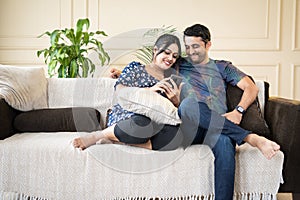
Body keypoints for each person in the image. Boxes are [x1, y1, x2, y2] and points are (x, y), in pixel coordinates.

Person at [107, 24, 280, 200]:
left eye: (195, 46)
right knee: (188, 105)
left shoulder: (222, 67)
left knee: (225, 142)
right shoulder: (179, 64)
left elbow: (251, 88)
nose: (190, 52)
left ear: (208, 45)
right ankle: (249, 137)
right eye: (187, 47)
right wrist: (122, 73)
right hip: (188, 125)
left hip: (217, 126)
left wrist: (239, 111)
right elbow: (154, 68)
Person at [73, 33, 184, 151]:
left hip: (156, 125)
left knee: (178, 133)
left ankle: (116, 141)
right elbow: (120, 91)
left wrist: (176, 101)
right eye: (167, 53)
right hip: (130, 118)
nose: (171, 58)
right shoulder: (136, 68)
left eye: (174, 56)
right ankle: (100, 135)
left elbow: (171, 114)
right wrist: (148, 91)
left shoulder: (171, 80)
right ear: (155, 50)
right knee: (142, 124)